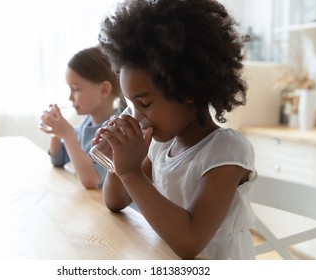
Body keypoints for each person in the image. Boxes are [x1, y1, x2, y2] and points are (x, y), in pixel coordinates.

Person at [93, 0, 257, 259]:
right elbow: (115, 201)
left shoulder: (226, 151)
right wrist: (119, 161)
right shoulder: (161, 145)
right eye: (130, 105)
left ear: (188, 91)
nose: (136, 115)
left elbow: (190, 242)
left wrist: (132, 173)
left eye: (144, 103)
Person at [40, 46, 124, 189]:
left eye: (76, 89)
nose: (70, 97)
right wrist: (56, 131)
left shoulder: (117, 130)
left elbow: (92, 180)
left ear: (104, 90)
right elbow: (57, 160)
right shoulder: (85, 125)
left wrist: (66, 134)